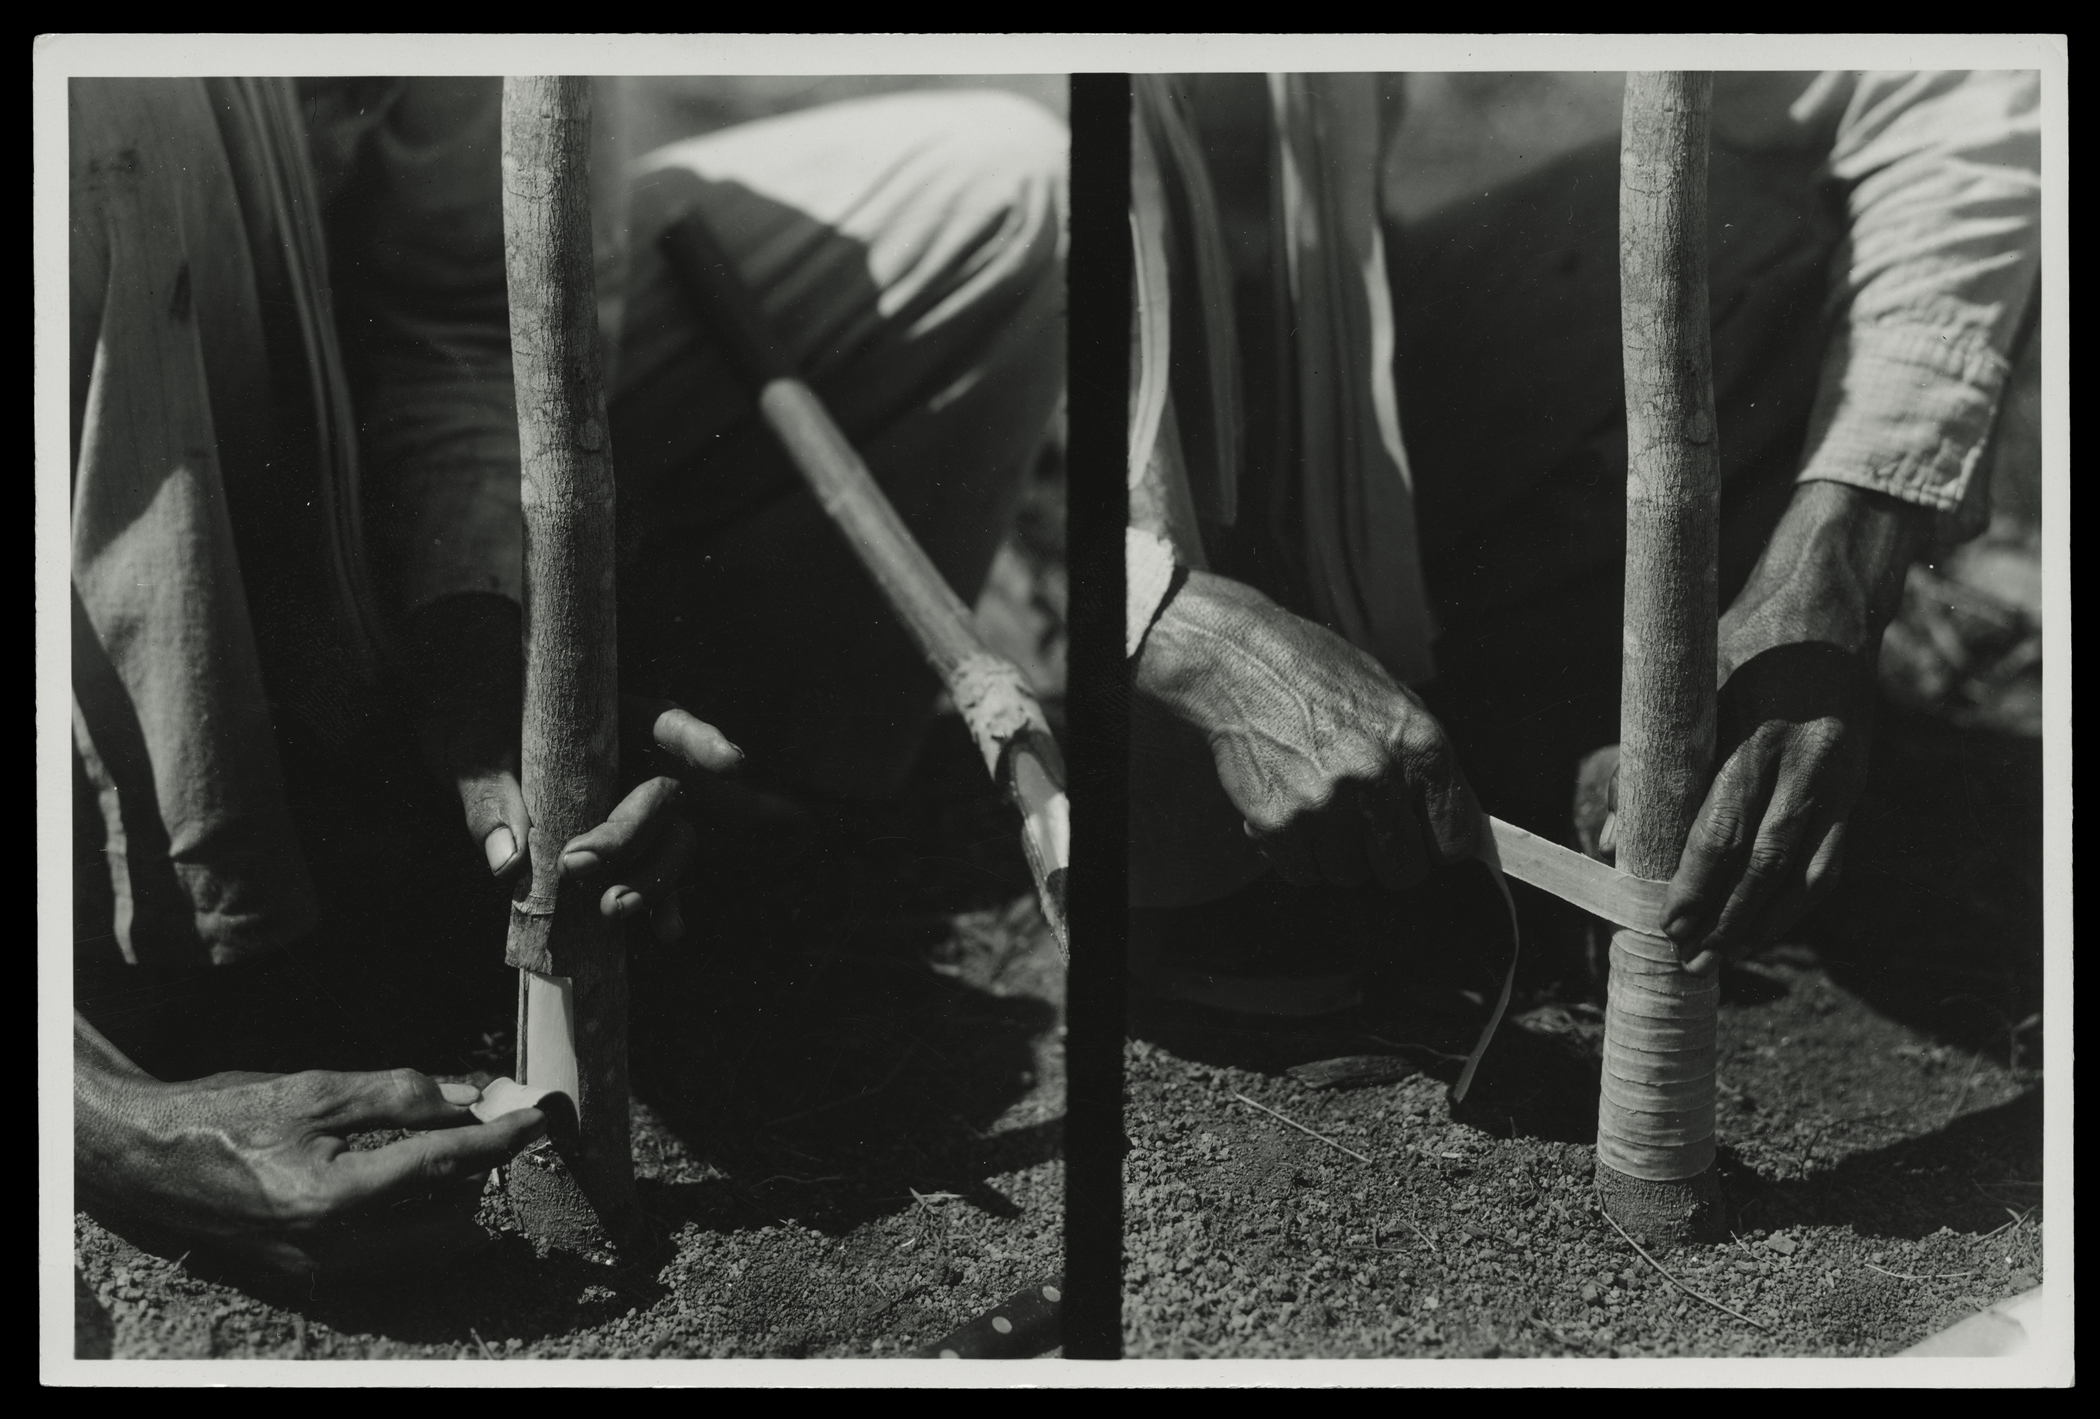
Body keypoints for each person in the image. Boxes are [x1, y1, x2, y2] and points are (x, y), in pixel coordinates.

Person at [70, 76, 1066, 1274]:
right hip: (103, 467)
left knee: (1007, 188)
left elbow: (461, 310)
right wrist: (110, 1131)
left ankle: (671, 796)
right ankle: (200, 885)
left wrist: (479, 637)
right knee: (122, 123)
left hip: (340, 382)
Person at [1125, 72, 2040, 1012]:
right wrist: (1176, 625)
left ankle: (1522, 699)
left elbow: (1957, 89)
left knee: (1782, 214)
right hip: (1105, 476)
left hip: (1330, 410)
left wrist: (1838, 564)